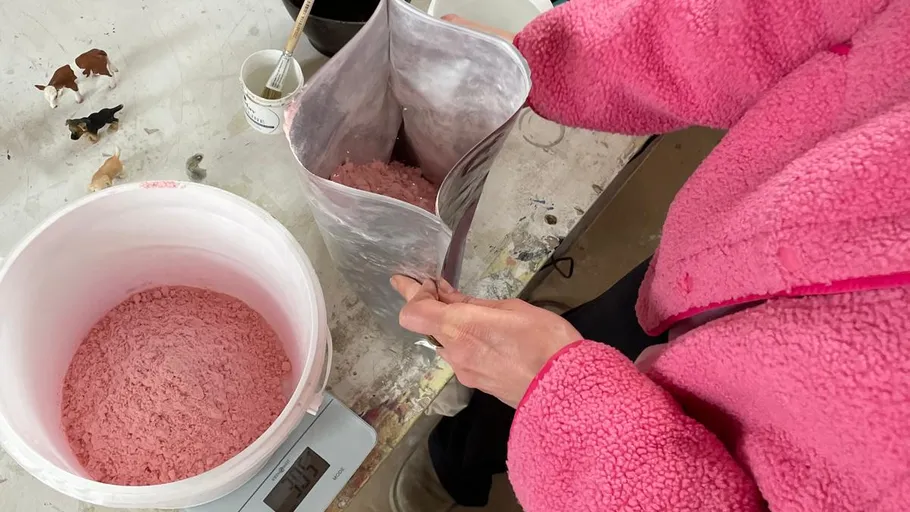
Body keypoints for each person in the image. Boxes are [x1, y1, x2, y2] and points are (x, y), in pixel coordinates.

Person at [389, 0, 910, 511]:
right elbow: (761, 21)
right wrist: (539, 67)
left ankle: (462, 482)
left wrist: (564, 404)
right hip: (715, 273)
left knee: (537, 374)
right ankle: (456, 460)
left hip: (674, 443)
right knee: (560, 355)